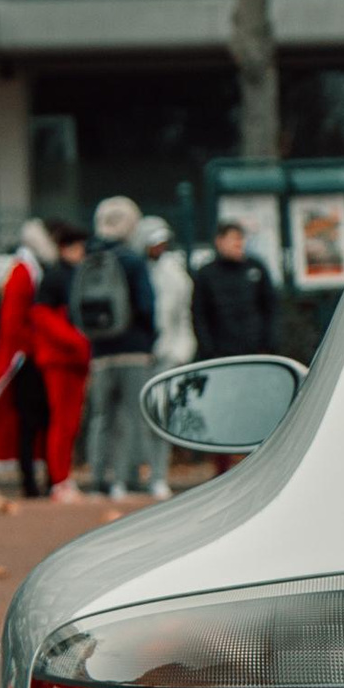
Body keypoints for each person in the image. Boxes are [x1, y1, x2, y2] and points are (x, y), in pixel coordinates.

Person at [0, 218, 91, 499]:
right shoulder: (29, 270)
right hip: (30, 360)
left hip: (37, 356)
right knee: (37, 422)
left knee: (45, 421)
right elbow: (20, 320)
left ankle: (46, 479)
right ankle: (40, 480)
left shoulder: (40, 270)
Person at [74, 195, 156, 501]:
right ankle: (129, 478)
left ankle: (98, 479)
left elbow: (75, 311)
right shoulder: (133, 261)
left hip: (100, 351)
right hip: (133, 348)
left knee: (101, 417)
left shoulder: (89, 260)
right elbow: (147, 305)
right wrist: (148, 339)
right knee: (134, 415)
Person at [138, 215, 194, 501]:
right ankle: (131, 474)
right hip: (139, 354)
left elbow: (182, 316)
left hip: (167, 355)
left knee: (161, 417)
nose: (158, 247)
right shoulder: (135, 270)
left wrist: (182, 351)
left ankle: (158, 475)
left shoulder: (174, 272)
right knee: (134, 419)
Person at [192, 216, 279, 358]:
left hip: (255, 350)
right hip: (222, 353)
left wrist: (269, 343)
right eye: (233, 239)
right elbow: (199, 316)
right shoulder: (206, 274)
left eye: (241, 239)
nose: (238, 244)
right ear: (219, 241)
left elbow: (270, 307)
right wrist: (209, 350)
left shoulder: (256, 267)